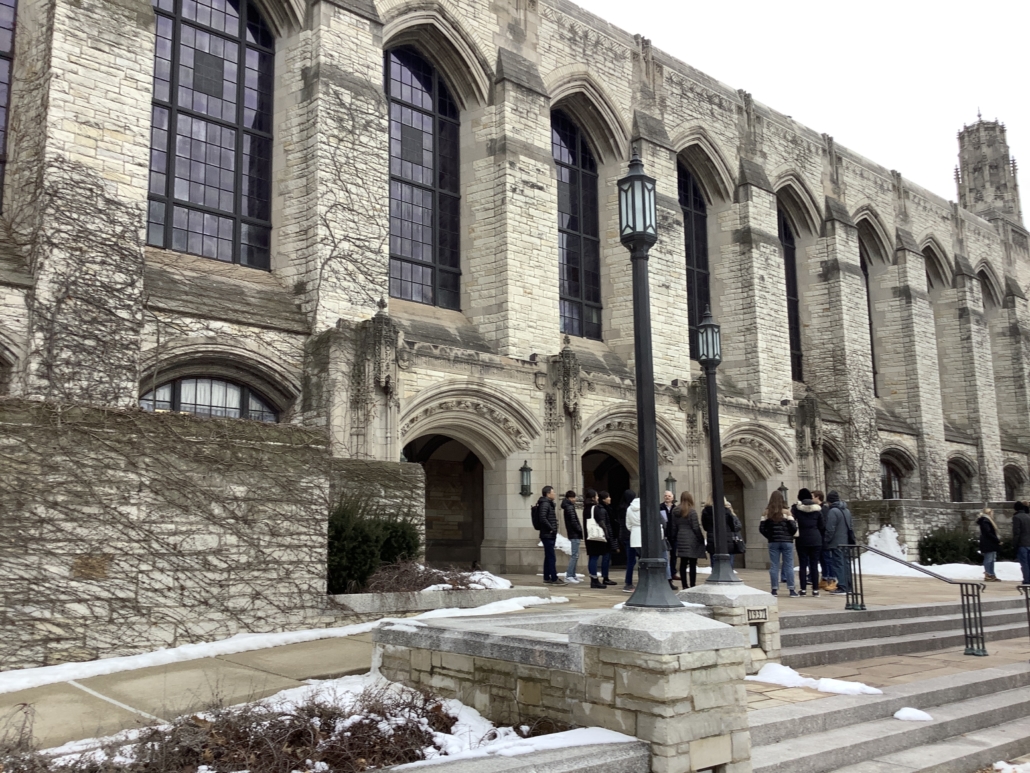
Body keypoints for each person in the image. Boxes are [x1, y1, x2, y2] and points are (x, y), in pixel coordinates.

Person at [759, 490, 798, 597]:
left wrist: (770, 536)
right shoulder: (787, 512)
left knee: (774, 565)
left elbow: (761, 529)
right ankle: (791, 590)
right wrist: (789, 535)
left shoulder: (766, 513)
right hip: (787, 542)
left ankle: (774, 589)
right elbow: (793, 527)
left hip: (773, 542)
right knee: (789, 565)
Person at [666, 491, 706, 588]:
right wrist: (701, 538)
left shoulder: (675, 511)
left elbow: (674, 527)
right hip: (692, 538)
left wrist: (674, 537)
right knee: (692, 563)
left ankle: (684, 585)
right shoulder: (692, 511)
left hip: (681, 537)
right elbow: (695, 527)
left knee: (683, 563)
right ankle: (692, 584)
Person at [792, 488, 825, 596]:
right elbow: (822, 526)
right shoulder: (817, 509)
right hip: (816, 539)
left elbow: (792, 522)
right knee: (814, 564)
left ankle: (803, 589)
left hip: (802, 539)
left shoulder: (796, 509)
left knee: (803, 565)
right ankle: (815, 590)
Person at [584, 489, 616, 588]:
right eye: (596, 496)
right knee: (595, 557)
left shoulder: (586, 508)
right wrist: (606, 533)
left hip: (589, 535)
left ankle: (593, 578)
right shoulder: (595, 508)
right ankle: (594, 580)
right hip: (596, 536)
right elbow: (600, 522)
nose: (598, 498)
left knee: (592, 557)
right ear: (593, 497)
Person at [823, 491, 850, 595]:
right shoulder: (846, 510)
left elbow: (830, 529)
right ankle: (848, 585)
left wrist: (826, 540)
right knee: (846, 564)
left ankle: (842, 586)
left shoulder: (833, 511)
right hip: (846, 541)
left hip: (836, 543)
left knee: (838, 564)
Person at [536, 486, 564, 585]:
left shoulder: (548, 504)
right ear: (548, 493)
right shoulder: (545, 504)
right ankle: (554, 578)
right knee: (551, 557)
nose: (555, 493)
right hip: (547, 534)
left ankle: (547, 577)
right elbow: (543, 518)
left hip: (549, 534)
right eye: (553, 492)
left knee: (548, 556)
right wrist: (551, 528)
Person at [702, 494, 738, 566]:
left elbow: (705, 527)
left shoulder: (705, 511)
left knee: (714, 563)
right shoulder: (726, 510)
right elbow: (733, 526)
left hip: (713, 540)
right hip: (726, 539)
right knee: (728, 563)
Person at [812, 489, 834, 591]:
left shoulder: (824, 509)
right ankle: (825, 578)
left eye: (813, 496)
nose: (811, 498)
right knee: (822, 560)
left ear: (817, 497)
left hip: (824, 538)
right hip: (819, 538)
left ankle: (831, 579)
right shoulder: (817, 508)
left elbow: (824, 524)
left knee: (827, 559)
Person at [561, 490, 582, 584]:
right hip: (574, 534)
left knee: (576, 555)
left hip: (573, 533)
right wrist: (579, 529)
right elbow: (573, 521)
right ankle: (569, 575)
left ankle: (572, 575)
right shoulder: (569, 507)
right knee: (574, 555)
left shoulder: (569, 507)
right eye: (573, 498)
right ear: (569, 498)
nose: (574, 499)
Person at [598, 491, 618, 585]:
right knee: (606, 557)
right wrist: (608, 536)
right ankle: (605, 577)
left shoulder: (607, 509)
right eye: (608, 497)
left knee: (607, 556)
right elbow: (605, 524)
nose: (610, 498)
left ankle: (606, 576)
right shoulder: (603, 509)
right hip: (607, 536)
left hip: (609, 534)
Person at [623, 492, 642, 593]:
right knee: (643, 560)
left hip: (634, 535)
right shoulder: (645, 507)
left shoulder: (629, 508)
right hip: (643, 535)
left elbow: (628, 524)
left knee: (630, 561)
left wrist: (634, 529)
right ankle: (642, 580)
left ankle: (628, 582)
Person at [977, 507, 1001, 582]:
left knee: (992, 558)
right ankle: (988, 574)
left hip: (991, 542)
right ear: (989, 513)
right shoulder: (985, 521)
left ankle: (991, 573)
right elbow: (988, 532)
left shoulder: (987, 520)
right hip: (988, 542)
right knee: (989, 558)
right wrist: (996, 540)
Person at [1013, 501, 1030, 584]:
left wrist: (1015, 544)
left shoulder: (1017, 517)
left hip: (1022, 543)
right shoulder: (1028, 516)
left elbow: (1017, 532)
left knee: (1024, 563)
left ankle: (1027, 580)